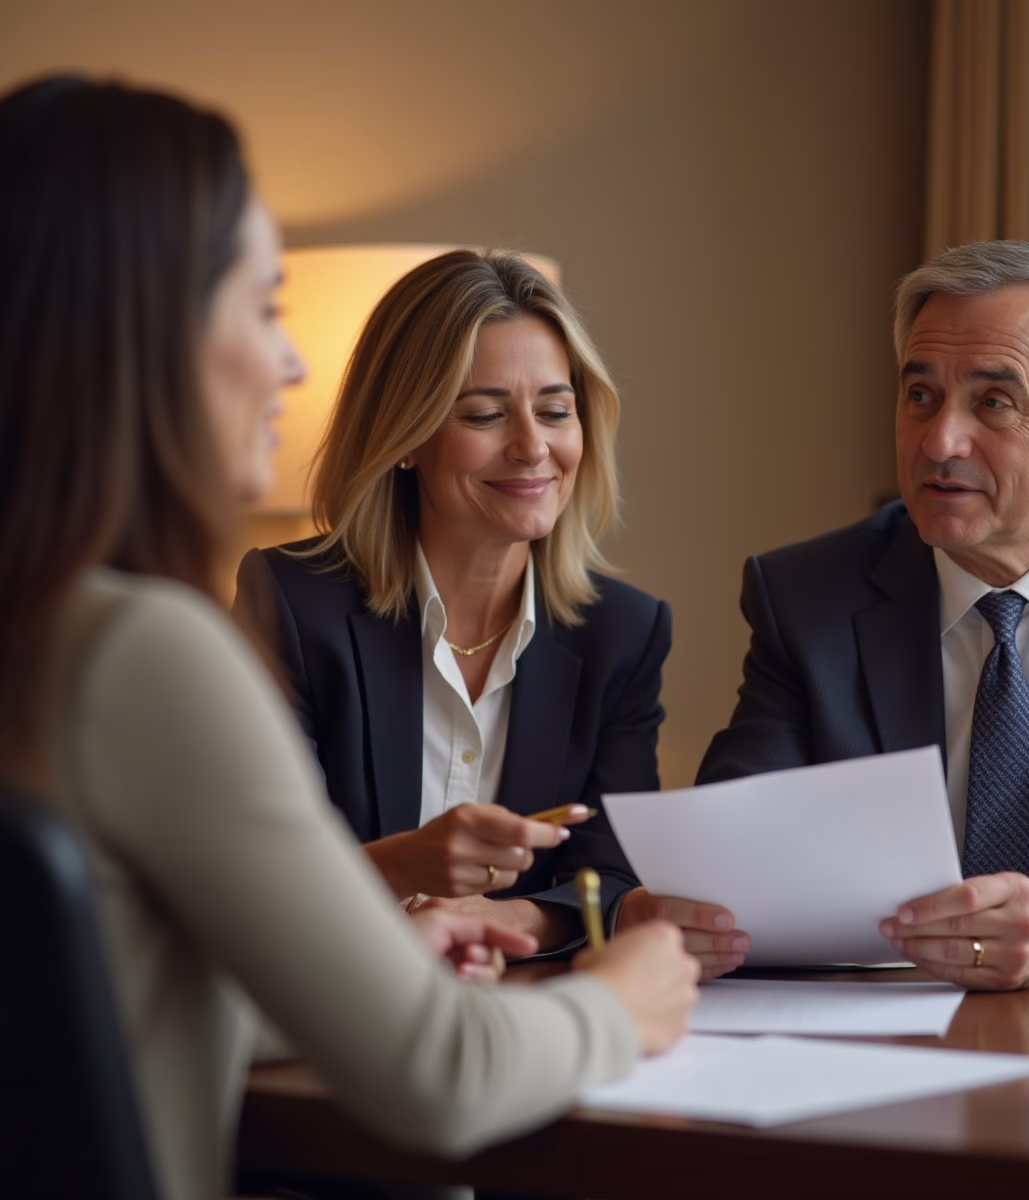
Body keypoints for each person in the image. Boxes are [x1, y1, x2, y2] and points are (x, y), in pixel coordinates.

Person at [0, 74, 698, 1200]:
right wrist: (628, 997)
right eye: (263, 306)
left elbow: (100, 1004)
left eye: (554, 406)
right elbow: (442, 1076)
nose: (287, 364)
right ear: (145, 329)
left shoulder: (45, 636)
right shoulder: (145, 655)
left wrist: (345, 978)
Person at [698, 239, 1029, 990]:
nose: (939, 441)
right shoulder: (808, 596)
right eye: (921, 395)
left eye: (993, 402)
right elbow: (735, 858)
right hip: (879, 1020)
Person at [235, 248, 729, 966]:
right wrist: (406, 865)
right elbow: (252, 875)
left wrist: (506, 922)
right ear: (408, 437)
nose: (533, 447)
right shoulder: (291, 603)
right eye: (485, 414)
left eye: (556, 411)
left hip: (517, 1015)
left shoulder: (622, 633)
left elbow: (613, 877)